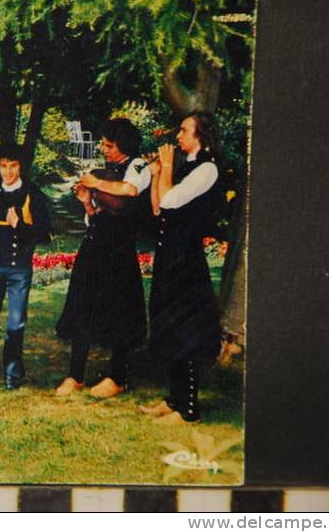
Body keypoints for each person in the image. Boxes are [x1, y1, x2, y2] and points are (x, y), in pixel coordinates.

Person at [55, 119, 150, 398]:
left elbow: (130, 191)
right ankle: (75, 375)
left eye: (109, 145)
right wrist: (87, 200)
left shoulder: (138, 166)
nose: (103, 149)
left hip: (118, 252)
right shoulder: (108, 171)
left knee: (119, 312)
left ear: (123, 145)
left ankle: (117, 377)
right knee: (82, 307)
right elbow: (99, 217)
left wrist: (96, 183)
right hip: (95, 248)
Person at [140, 111, 223, 424]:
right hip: (169, 258)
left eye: (184, 131)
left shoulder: (207, 169)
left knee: (186, 331)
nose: (178, 136)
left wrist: (167, 170)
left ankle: (188, 408)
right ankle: (174, 400)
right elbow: (158, 208)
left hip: (186, 262)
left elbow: (172, 200)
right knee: (169, 327)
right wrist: (160, 171)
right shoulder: (187, 167)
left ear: (200, 134)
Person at [0, 143, 52, 389]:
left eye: (13, 166)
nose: (8, 172)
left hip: (19, 268)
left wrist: (18, 225)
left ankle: (12, 375)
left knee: (15, 325)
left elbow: (45, 234)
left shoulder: (33, 193)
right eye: (3, 166)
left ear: (20, 166)